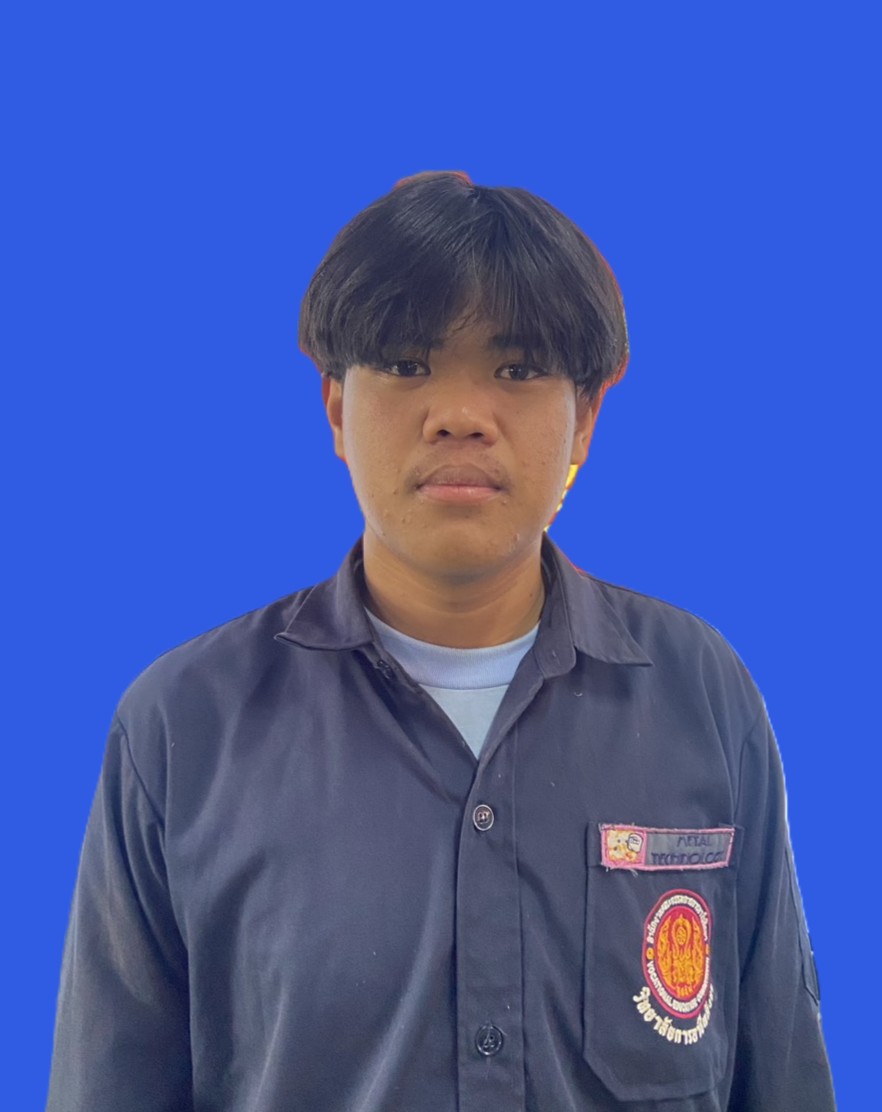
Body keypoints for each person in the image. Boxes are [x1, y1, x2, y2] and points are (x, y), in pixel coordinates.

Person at [46, 171, 836, 1111]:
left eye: (518, 369)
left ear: (585, 417)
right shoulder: (183, 727)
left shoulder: (701, 692)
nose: (460, 414)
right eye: (407, 363)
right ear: (336, 410)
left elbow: (782, 1072)